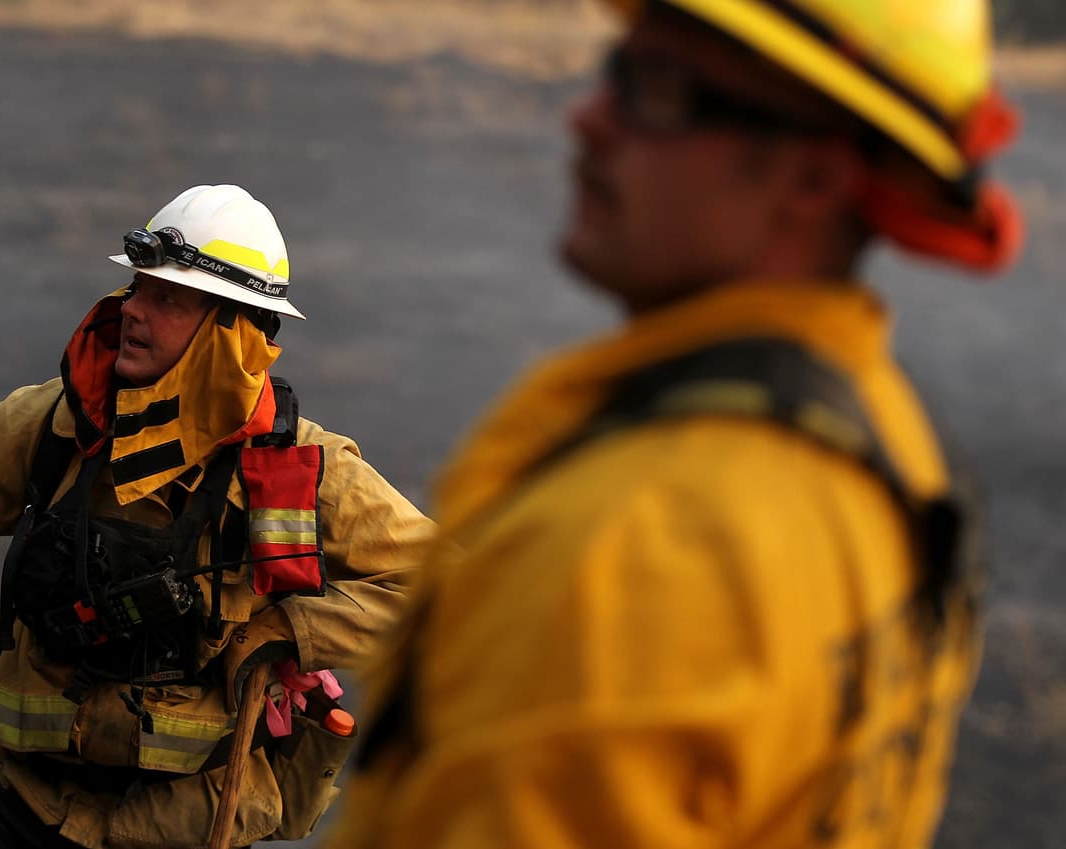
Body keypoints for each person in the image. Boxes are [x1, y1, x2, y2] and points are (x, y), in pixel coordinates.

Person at [326, 1, 1022, 847]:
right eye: (617, 71)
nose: (589, 117)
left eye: (655, 90)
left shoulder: (634, 552)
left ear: (813, 180)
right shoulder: (892, 440)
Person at [0, 184, 436, 849]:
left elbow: (449, 584)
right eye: (139, 287)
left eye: (167, 298)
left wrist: (289, 629)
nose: (132, 310)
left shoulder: (302, 467)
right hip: (27, 795)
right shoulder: (57, 426)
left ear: (231, 331)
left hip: (184, 824)